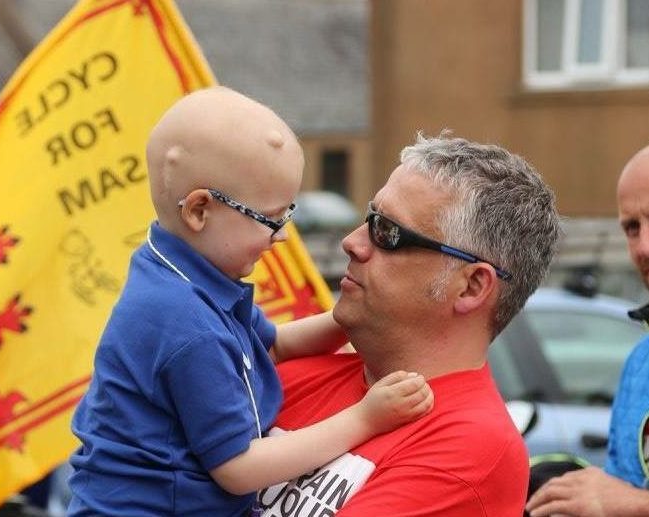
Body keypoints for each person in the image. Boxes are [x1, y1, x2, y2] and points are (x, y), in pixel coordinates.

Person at [67, 86, 433, 516]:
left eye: (287, 216)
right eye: (270, 219)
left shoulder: (181, 275)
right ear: (200, 210)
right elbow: (238, 467)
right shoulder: (185, 323)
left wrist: (349, 317)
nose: (281, 236)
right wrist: (365, 419)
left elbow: (271, 345)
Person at [254, 133, 561, 516]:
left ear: (471, 286)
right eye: (368, 219)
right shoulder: (294, 372)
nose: (352, 243)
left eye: (387, 233)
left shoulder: (472, 448)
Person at [526, 146, 649, 517]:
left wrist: (633, 504)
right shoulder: (638, 364)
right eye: (632, 227)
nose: (643, 247)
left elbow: (624, 500)